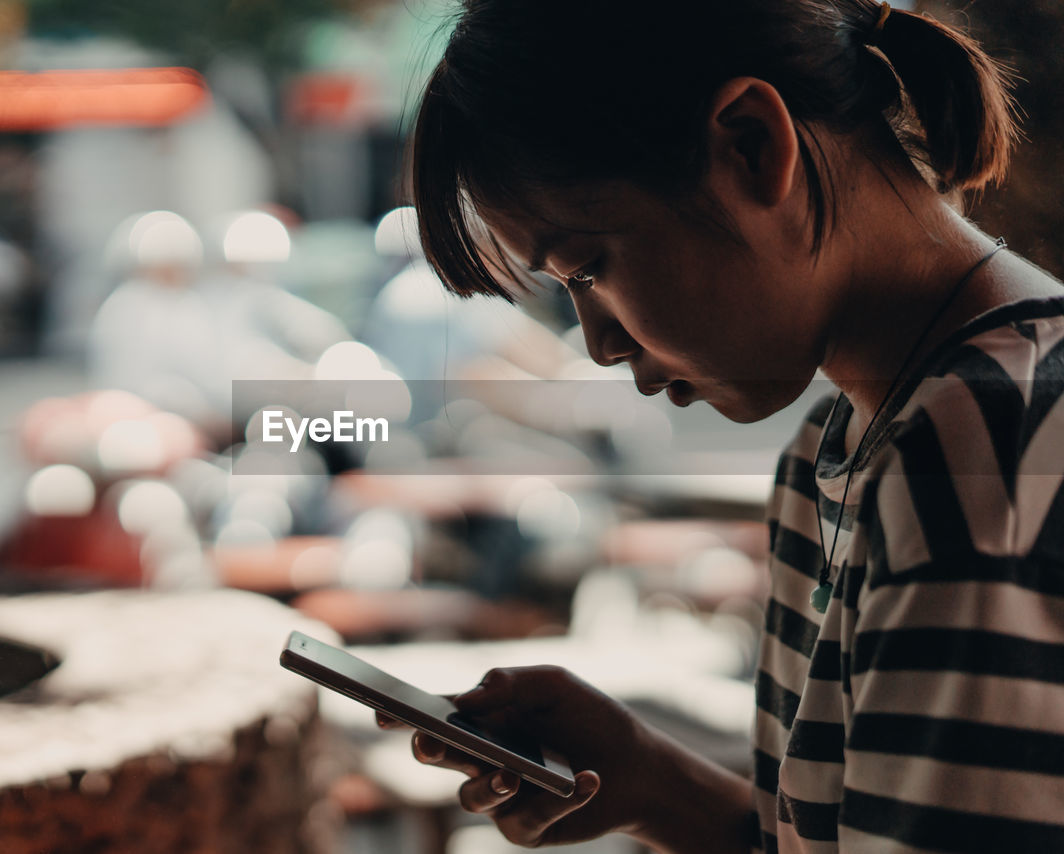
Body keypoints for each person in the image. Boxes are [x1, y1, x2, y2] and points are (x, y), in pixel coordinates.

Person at [379, 1, 1064, 851]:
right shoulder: (837, 445)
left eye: (587, 268)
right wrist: (654, 786)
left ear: (750, 145)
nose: (598, 346)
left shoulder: (979, 457)